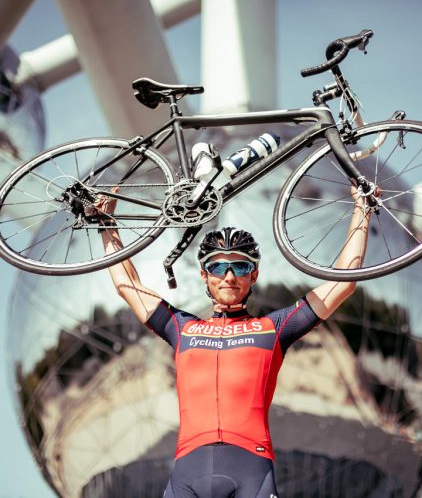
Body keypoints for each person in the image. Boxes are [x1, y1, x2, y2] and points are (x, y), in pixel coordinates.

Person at [96, 186, 372, 498]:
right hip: (187, 471)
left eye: (240, 266)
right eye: (218, 266)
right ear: (204, 275)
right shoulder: (181, 327)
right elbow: (127, 285)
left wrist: (362, 208)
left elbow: (344, 283)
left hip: (250, 471)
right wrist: (106, 223)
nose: (229, 275)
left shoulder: (273, 328)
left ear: (253, 275)